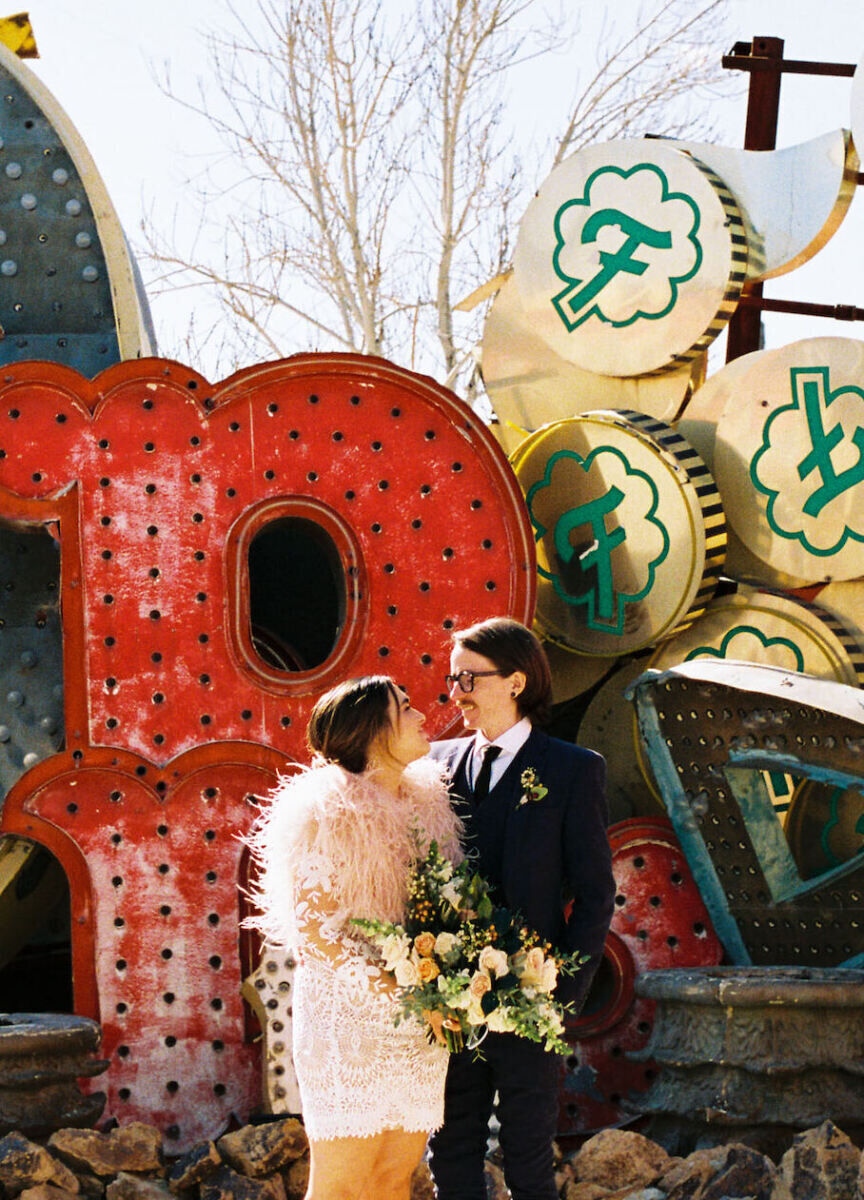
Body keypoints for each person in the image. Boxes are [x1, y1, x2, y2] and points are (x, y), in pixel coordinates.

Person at [247, 675, 463, 1200]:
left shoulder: (430, 808)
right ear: (372, 729)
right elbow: (317, 935)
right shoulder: (323, 811)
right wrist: (408, 997)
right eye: (405, 709)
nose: (419, 716)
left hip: (419, 1031)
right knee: (342, 1185)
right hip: (349, 1025)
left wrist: (449, 987)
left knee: (394, 1178)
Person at [428, 617, 615, 1200]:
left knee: (528, 1153)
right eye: (453, 678)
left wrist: (563, 992)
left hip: (533, 998)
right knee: (451, 1146)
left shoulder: (572, 769)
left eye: (468, 679)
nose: (454, 692)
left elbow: (595, 892)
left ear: (514, 681)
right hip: (451, 993)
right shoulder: (435, 763)